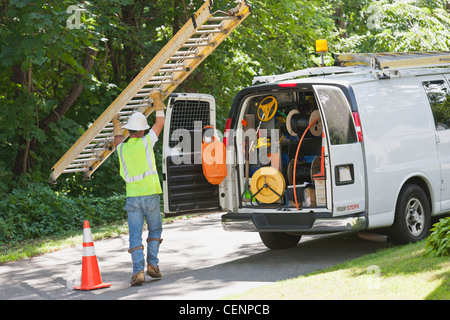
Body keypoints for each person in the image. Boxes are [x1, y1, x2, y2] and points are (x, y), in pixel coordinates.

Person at [112, 91, 165, 286]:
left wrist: (116, 123)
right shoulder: (146, 143)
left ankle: (138, 273)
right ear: (142, 131)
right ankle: (153, 265)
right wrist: (157, 101)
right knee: (154, 231)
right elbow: (159, 123)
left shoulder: (123, 149)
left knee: (135, 235)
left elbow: (118, 139)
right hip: (150, 195)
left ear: (129, 131)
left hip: (132, 198)